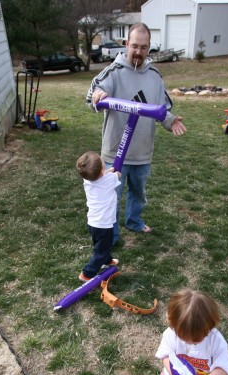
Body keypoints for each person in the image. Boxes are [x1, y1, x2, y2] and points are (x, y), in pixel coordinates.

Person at [87, 22, 187, 244]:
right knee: (112, 197)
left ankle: (134, 221)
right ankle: (110, 237)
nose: (138, 52)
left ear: (149, 47)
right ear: (126, 45)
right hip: (115, 153)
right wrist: (99, 95)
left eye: (143, 47)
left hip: (142, 150)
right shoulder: (113, 72)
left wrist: (171, 121)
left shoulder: (154, 76)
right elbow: (92, 96)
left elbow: (163, 109)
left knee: (138, 193)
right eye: (134, 46)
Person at [76, 151, 121, 282]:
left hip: (93, 222)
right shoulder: (110, 179)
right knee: (102, 248)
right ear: (102, 169)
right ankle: (87, 273)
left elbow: (105, 175)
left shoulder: (87, 180)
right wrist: (114, 170)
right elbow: (118, 174)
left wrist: (110, 170)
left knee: (100, 245)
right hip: (104, 224)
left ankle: (107, 260)